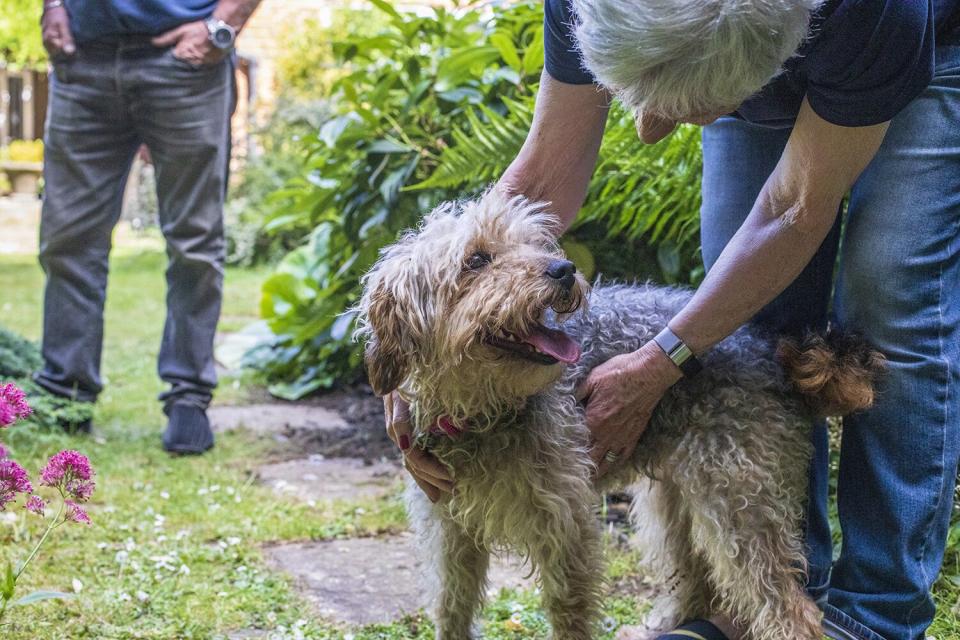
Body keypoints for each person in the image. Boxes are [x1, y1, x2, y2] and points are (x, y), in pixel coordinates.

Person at [384, 1, 960, 638]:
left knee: (892, 303)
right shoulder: (588, 8)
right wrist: (409, 363)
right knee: (754, 316)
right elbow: (544, 175)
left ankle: (874, 615)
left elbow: (794, 209)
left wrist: (663, 360)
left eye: (680, 110)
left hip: (924, 53)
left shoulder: (877, 14)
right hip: (736, 47)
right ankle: (755, 608)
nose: (653, 133)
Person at [35, 0, 261, 453]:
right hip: (83, 55)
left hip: (186, 61)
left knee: (194, 242)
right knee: (68, 239)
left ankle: (187, 399)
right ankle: (65, 396)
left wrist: (222, 23)